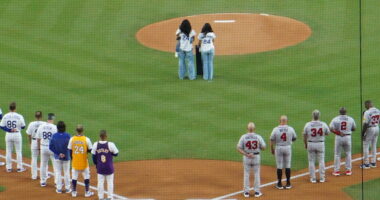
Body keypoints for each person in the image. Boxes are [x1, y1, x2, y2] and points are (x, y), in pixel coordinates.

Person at [237, 122, 266, 198]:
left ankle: (246, 192)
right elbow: (264, 147)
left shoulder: (243, 137)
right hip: (256, 157)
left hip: (247, 157)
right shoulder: (258, 137)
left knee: (246, 174)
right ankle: (257, 192)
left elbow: (238, 148)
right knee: (257, 174)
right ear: (254, 129)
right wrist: (258, 148)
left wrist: (246, 154)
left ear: (247, 128)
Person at [270, 115, 297, 189]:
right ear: (287, 121)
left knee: (279, 165)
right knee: (288, 165)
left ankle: (279, 184)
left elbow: (272, 139)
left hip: (278, 148)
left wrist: (272, 149)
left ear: (280, 121)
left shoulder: (275, 129)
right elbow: (294, 138)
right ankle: (288, 183)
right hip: (287, 147)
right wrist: (289, 141)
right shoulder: (290, 129)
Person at [303, 110, 330, 183]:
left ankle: (313, 178)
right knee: (321, 161)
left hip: (311, 143)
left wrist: (305, 144)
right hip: (320, 144)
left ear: (312, 116)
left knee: (311, 161)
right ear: (319, 116)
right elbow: (328, 133)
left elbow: (304, 135)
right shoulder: (323, 124)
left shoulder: (307, 124)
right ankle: (322, 178)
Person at [92, 130, 119, 200]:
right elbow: (116, 154)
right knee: (110, 182)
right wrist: (110, 153)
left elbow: (93, 156)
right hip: (109, 167)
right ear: (106, 136)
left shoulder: (95, 144)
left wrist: (96, 164)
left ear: (99, 136)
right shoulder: (111, 144)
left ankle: (100, 197)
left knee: (100, 183)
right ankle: (110, 197)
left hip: (100, 167)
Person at [68, 124, 93, 197]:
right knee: (86, 176)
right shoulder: (86, 139)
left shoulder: (72, 139)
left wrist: (73, 159)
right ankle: (87, 192)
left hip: (75, 162)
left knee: (74, 177)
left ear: (76, 131)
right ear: (82, 131)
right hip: (84, 162)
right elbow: (91, 150)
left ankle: (74, 192)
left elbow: (69, 150)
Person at [0, 102, 26, 172]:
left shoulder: (5, 116)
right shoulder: (19, 116)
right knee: (18, 151)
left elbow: (1, 126)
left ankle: (8, 168)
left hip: (8, 134)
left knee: (8, 151)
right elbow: (23, 126)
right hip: (17, 134)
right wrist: (17, 128)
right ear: (15, 108)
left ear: (9, 108)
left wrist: (9, 129)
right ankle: (19, 167)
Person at [329, 107, 356, 176]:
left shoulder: (335, 119)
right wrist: (348, 130)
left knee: (337, 154)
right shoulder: (350, 119)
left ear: (339, 112)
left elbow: (331, 128)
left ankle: (336, 171)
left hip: (339, 137)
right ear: (346, 112)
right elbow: (354, 128)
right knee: (348, 153)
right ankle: (348, 170)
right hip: (348, 137)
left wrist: (338, 133)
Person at [49, 121, 71, 194]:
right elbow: (70, 147)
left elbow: (50, 147)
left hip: (57, 157)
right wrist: (64, 153)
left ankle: (59, 189)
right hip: (66, 157)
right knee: (66, 172)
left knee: (58, 172)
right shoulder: (68, 136)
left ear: (57, 128)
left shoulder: (54, 136)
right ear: (64, 128)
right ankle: (68, 188)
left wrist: (59, 153)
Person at [36, 113, 57, 187]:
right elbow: (56, 140)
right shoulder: (54, 127)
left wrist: (38, 148)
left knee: (43, 164)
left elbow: (38, 139)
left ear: (47, 119)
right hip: (52, 148)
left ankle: (42, 181)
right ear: (52, 119)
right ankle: (57, 182)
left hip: (43, 147)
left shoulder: (41, 126)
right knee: (55, 165)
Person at [26, 111, 45, 180]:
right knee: (43, 159)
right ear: (41, 116)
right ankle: (44, 175)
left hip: (34, 141)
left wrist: (30, 142)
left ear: (35, 116)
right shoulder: (44, 124)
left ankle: (34, 176)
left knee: (34, 158)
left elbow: (28, 134)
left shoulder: (31, 124)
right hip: (42, 142)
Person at [361, 100, 380, 169]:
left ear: (368, 105)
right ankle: (373, 163)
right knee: (374, 145)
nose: (365, 107)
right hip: (377, 128)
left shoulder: (367, 112)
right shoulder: (378, 110)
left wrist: (363, 133)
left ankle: (366, 164)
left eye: (365, 105)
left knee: (365, 145)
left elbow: (365, 124)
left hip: (370, 129)